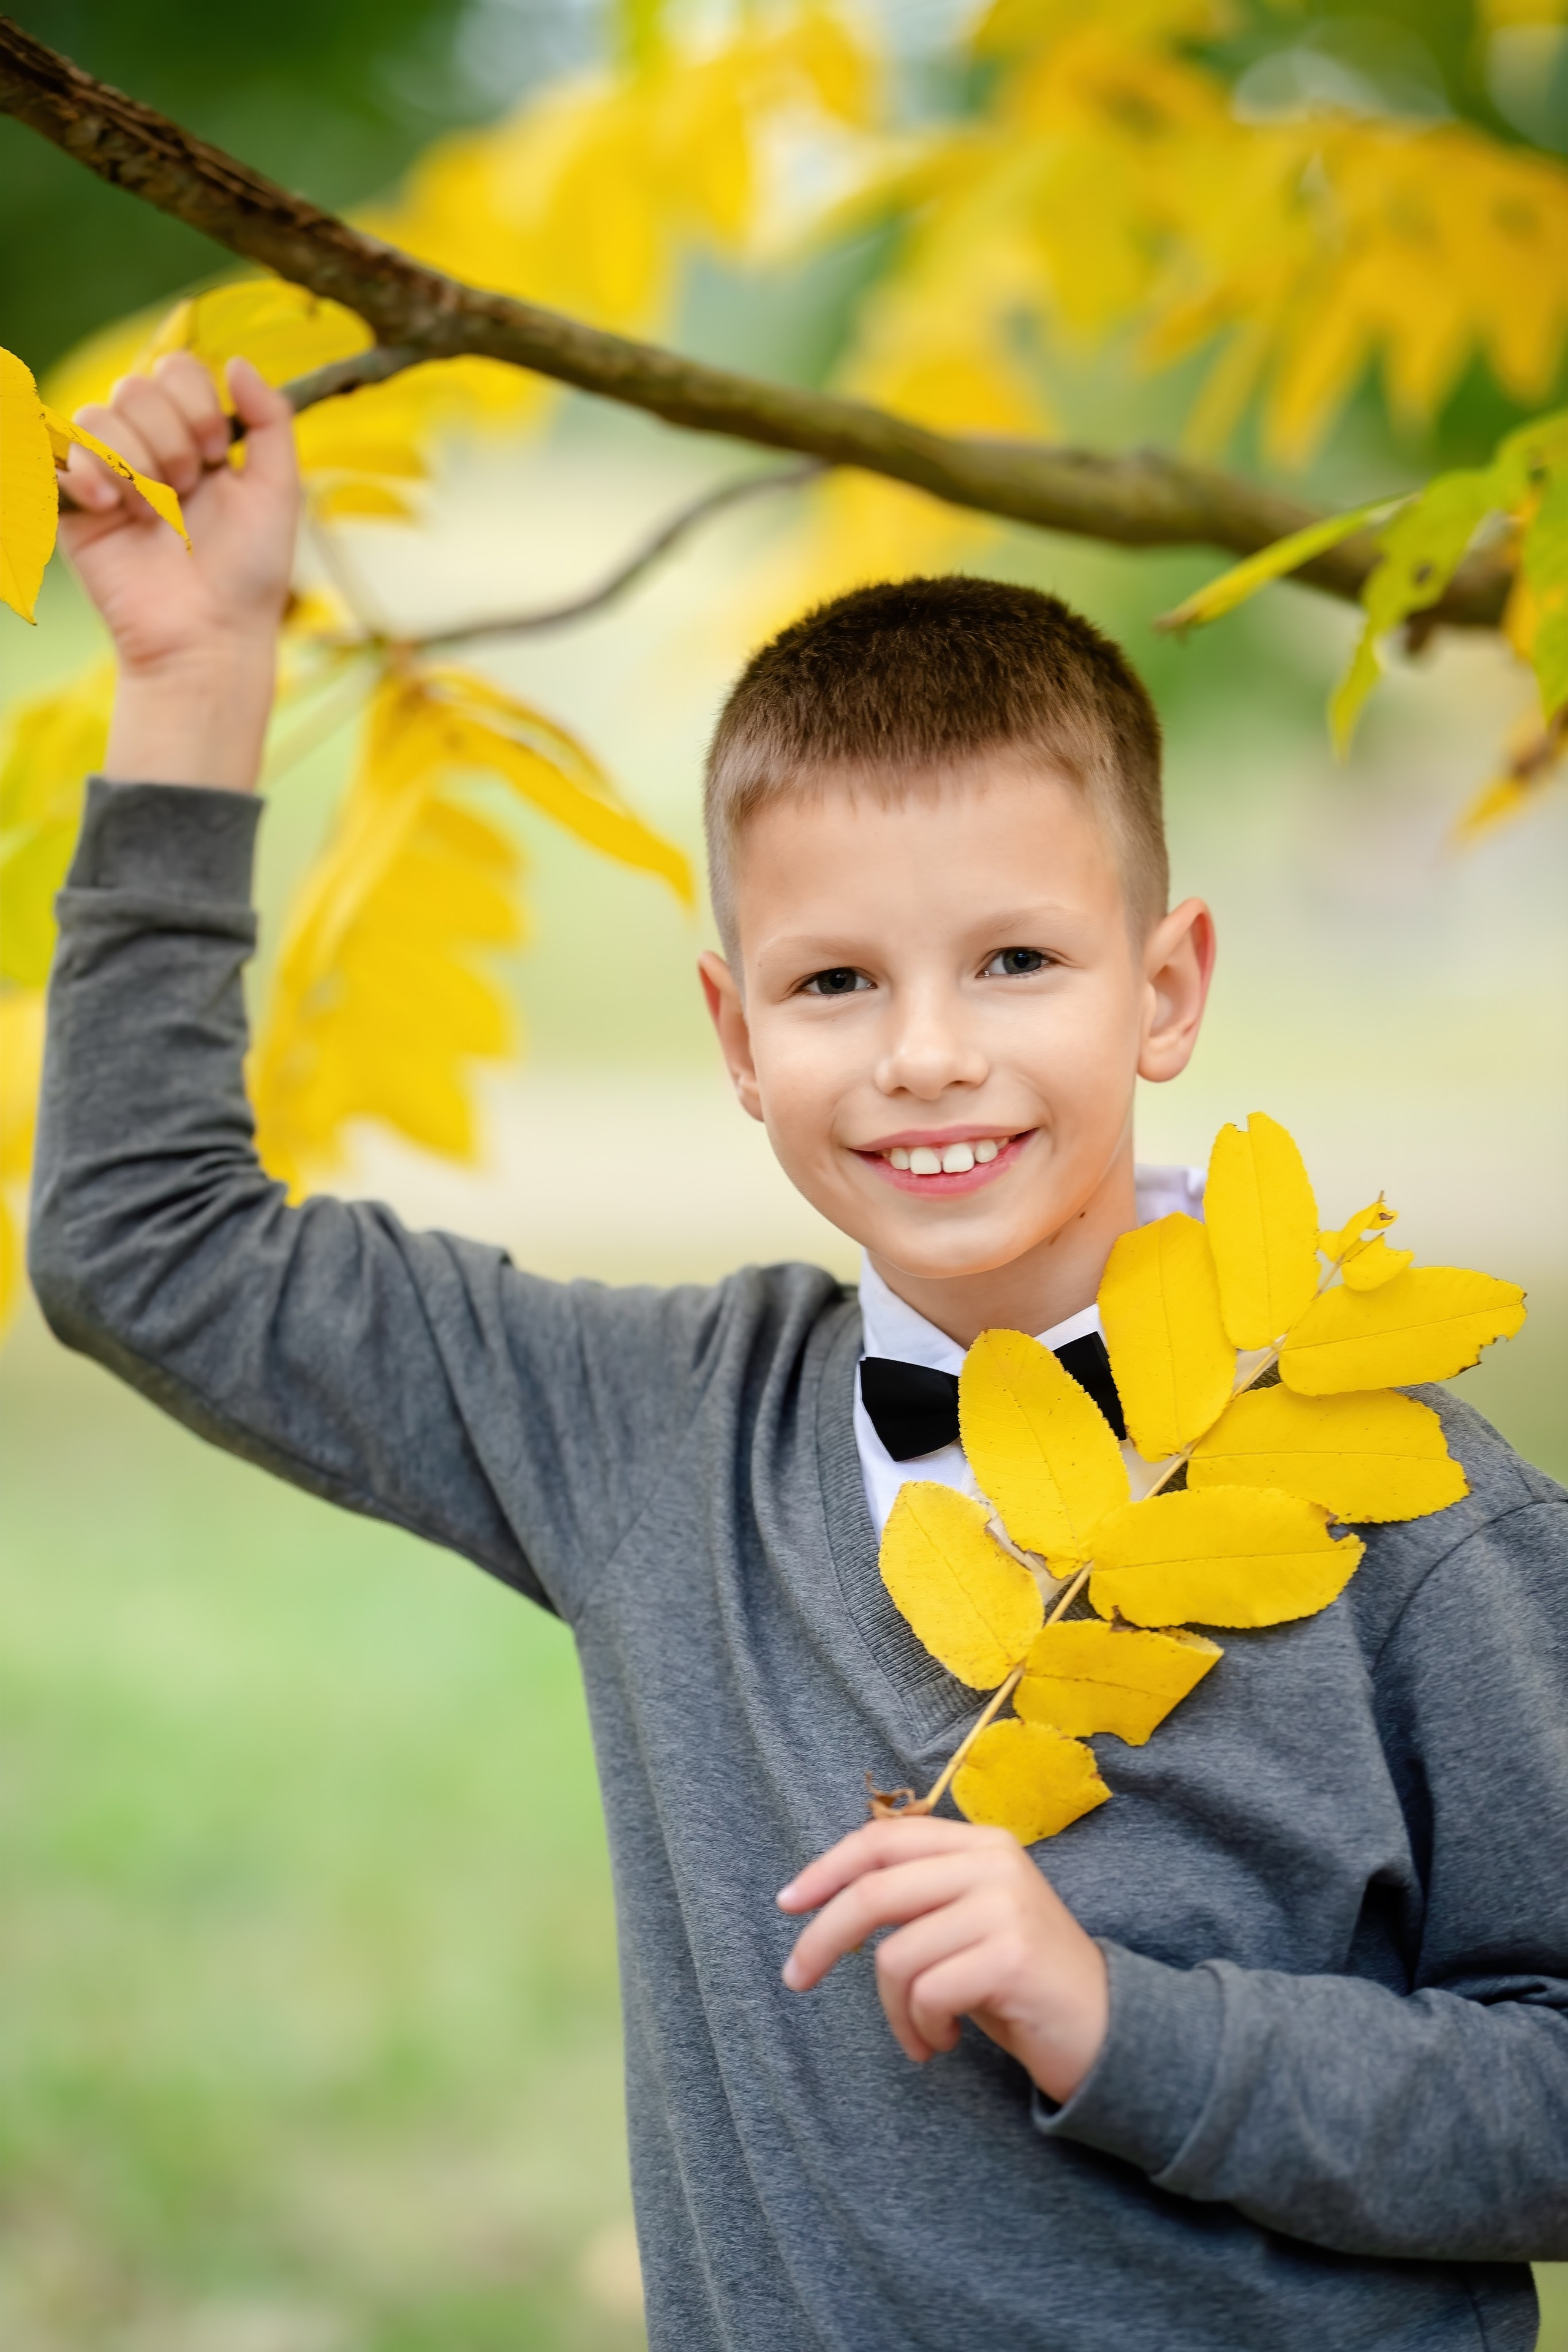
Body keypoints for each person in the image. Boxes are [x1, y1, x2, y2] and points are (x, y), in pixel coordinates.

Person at [30, 353, 1568, 2352]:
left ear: (1166, 987)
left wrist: (1123, 2024)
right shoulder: (657, 1437)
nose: (927, 1050)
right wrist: (197, 672)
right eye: (836, 981)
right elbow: (144, 1248)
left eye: (1015, 959)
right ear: (739, 1036)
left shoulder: (1424, 1517)